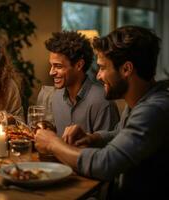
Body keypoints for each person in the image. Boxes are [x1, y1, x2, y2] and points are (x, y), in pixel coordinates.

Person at [35, 26, 169, 199]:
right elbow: (121, 133)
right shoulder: (140, 102)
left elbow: (105, 163)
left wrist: (53, 143)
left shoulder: (153, 110)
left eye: (103, 68)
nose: (98, 76)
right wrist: (93, 137)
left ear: (126, 69)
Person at [37, 31, 119, 136]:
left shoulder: (103, 102)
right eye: (51, 66)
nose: (51, 72)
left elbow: (108, 150)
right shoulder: (56, 97)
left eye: (58, 66)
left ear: (79, 65)